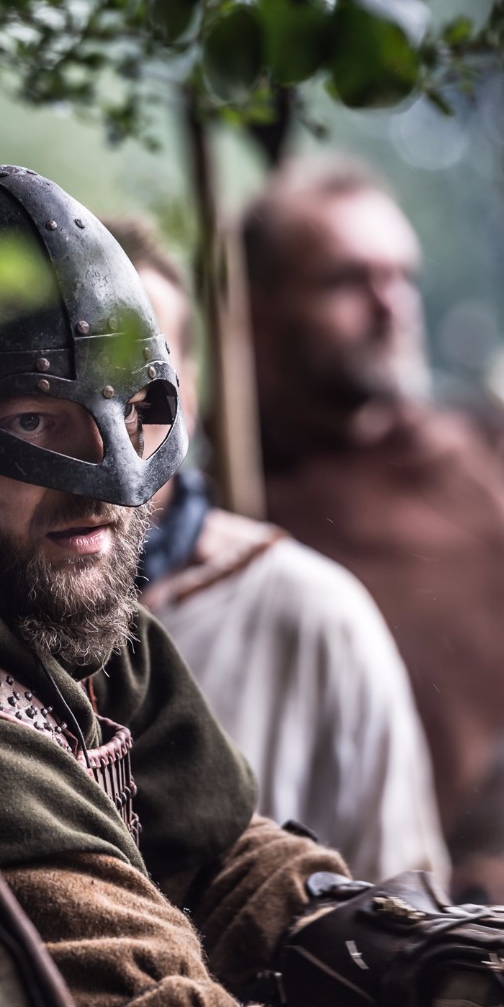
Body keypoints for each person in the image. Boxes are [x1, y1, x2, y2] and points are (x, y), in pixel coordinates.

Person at [0, 165, 498, 1006]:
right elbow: (131, 982)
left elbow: (222, 859)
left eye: (129, 414)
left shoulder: (32, 610)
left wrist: (421, 962)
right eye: (33, 420)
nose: (107, 485)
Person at [104, 215, 449, 885]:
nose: (101, 426)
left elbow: (401, 896)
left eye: (133, 381)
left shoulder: (313, 613)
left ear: (187, 397)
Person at [242, 155, 504, 902]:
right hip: (333, 923)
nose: (391, 306)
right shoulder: (225, 517)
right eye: (347, 281)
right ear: (257, 311)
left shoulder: (488, 461)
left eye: (401, 276)